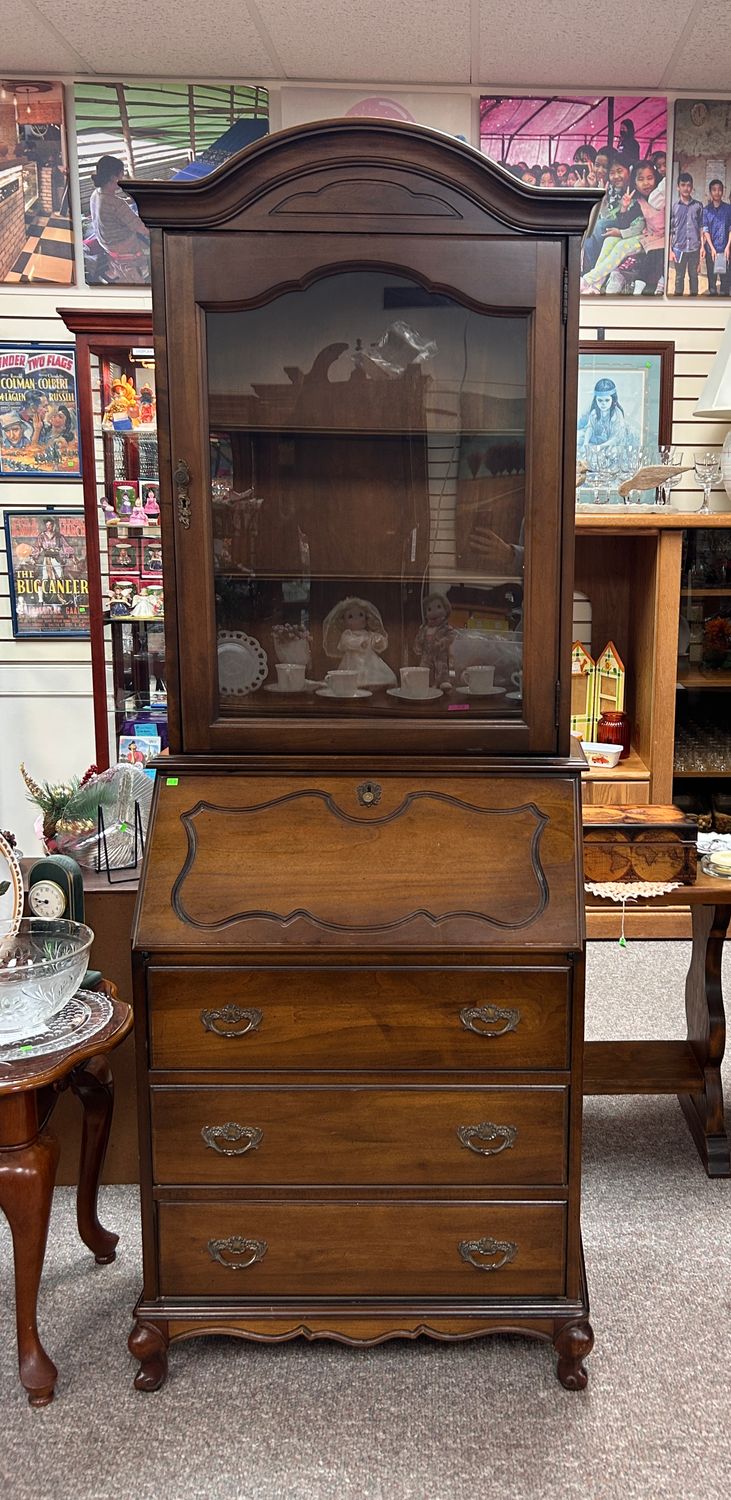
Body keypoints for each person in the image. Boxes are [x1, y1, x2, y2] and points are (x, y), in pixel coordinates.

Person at [580, 160, 644, 290]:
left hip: (637, 232)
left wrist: (621, 232)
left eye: (619, 171)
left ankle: (591, 278)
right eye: (612, 173)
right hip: (623, 225)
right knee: (594, 235)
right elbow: (608, 215)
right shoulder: (613, 190)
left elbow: (637, 222)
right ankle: (596, 280)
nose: (616, 176)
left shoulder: (637, 190)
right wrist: (602, 197)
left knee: (598, 228)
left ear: (629, 170)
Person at [88, 155, 150, 280]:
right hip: (121, 246)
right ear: (113, 177)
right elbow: (143, 229)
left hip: (106, 243)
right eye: (121, 175)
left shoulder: (96, 194)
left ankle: (116, 269)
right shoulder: (116, 203)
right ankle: (143, 272)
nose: (123, 178)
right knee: (153, 244)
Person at [322, 597, 396, 688]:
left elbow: (378, 642)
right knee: (350, 680)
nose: (356, 619)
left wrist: (378, 642)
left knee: (377, 677)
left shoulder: (368, 634)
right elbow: (346, 643)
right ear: (343, 622)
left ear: (367, 618)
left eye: (361, 615)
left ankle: (372, 686)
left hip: (370, 662)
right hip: (352, 662)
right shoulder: (347, 634)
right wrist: (359, 643)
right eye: (350, 616)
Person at [577, 378, 634, 470]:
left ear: (613, 400)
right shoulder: (595, 413)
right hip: (598, 444)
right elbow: (590, 428)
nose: (603, 404)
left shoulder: (616, 414)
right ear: (596, 400)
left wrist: (600, 447)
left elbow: (617, 438)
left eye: (607, 400)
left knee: (612, 453)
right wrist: (585, 443)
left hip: (613, 444)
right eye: (600, 400)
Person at [670, 172, 703, 296]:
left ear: (692, 187)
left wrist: (702, 248)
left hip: (694, 248)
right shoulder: (674, 207)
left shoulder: (698, 206)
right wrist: (670, 250)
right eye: (683, 185)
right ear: (678, 187)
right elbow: (670, 230)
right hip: (679, 249)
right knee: (679, 277)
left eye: (688, 185)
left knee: (694, 276)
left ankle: (693, 301)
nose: (686, 188)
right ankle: (678, 302)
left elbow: (701, 228)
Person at [702, 179, 731, 296]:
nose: (717, 192)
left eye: (719, 190)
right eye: (714, 190)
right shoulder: (706, 210)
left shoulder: (729, 209)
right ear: (710, 192)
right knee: (712, 280)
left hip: (725, 250)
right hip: (711, 251)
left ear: (723, 192)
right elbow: (705, 230)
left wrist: (728, 247)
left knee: (725, 280)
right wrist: (712, 248)